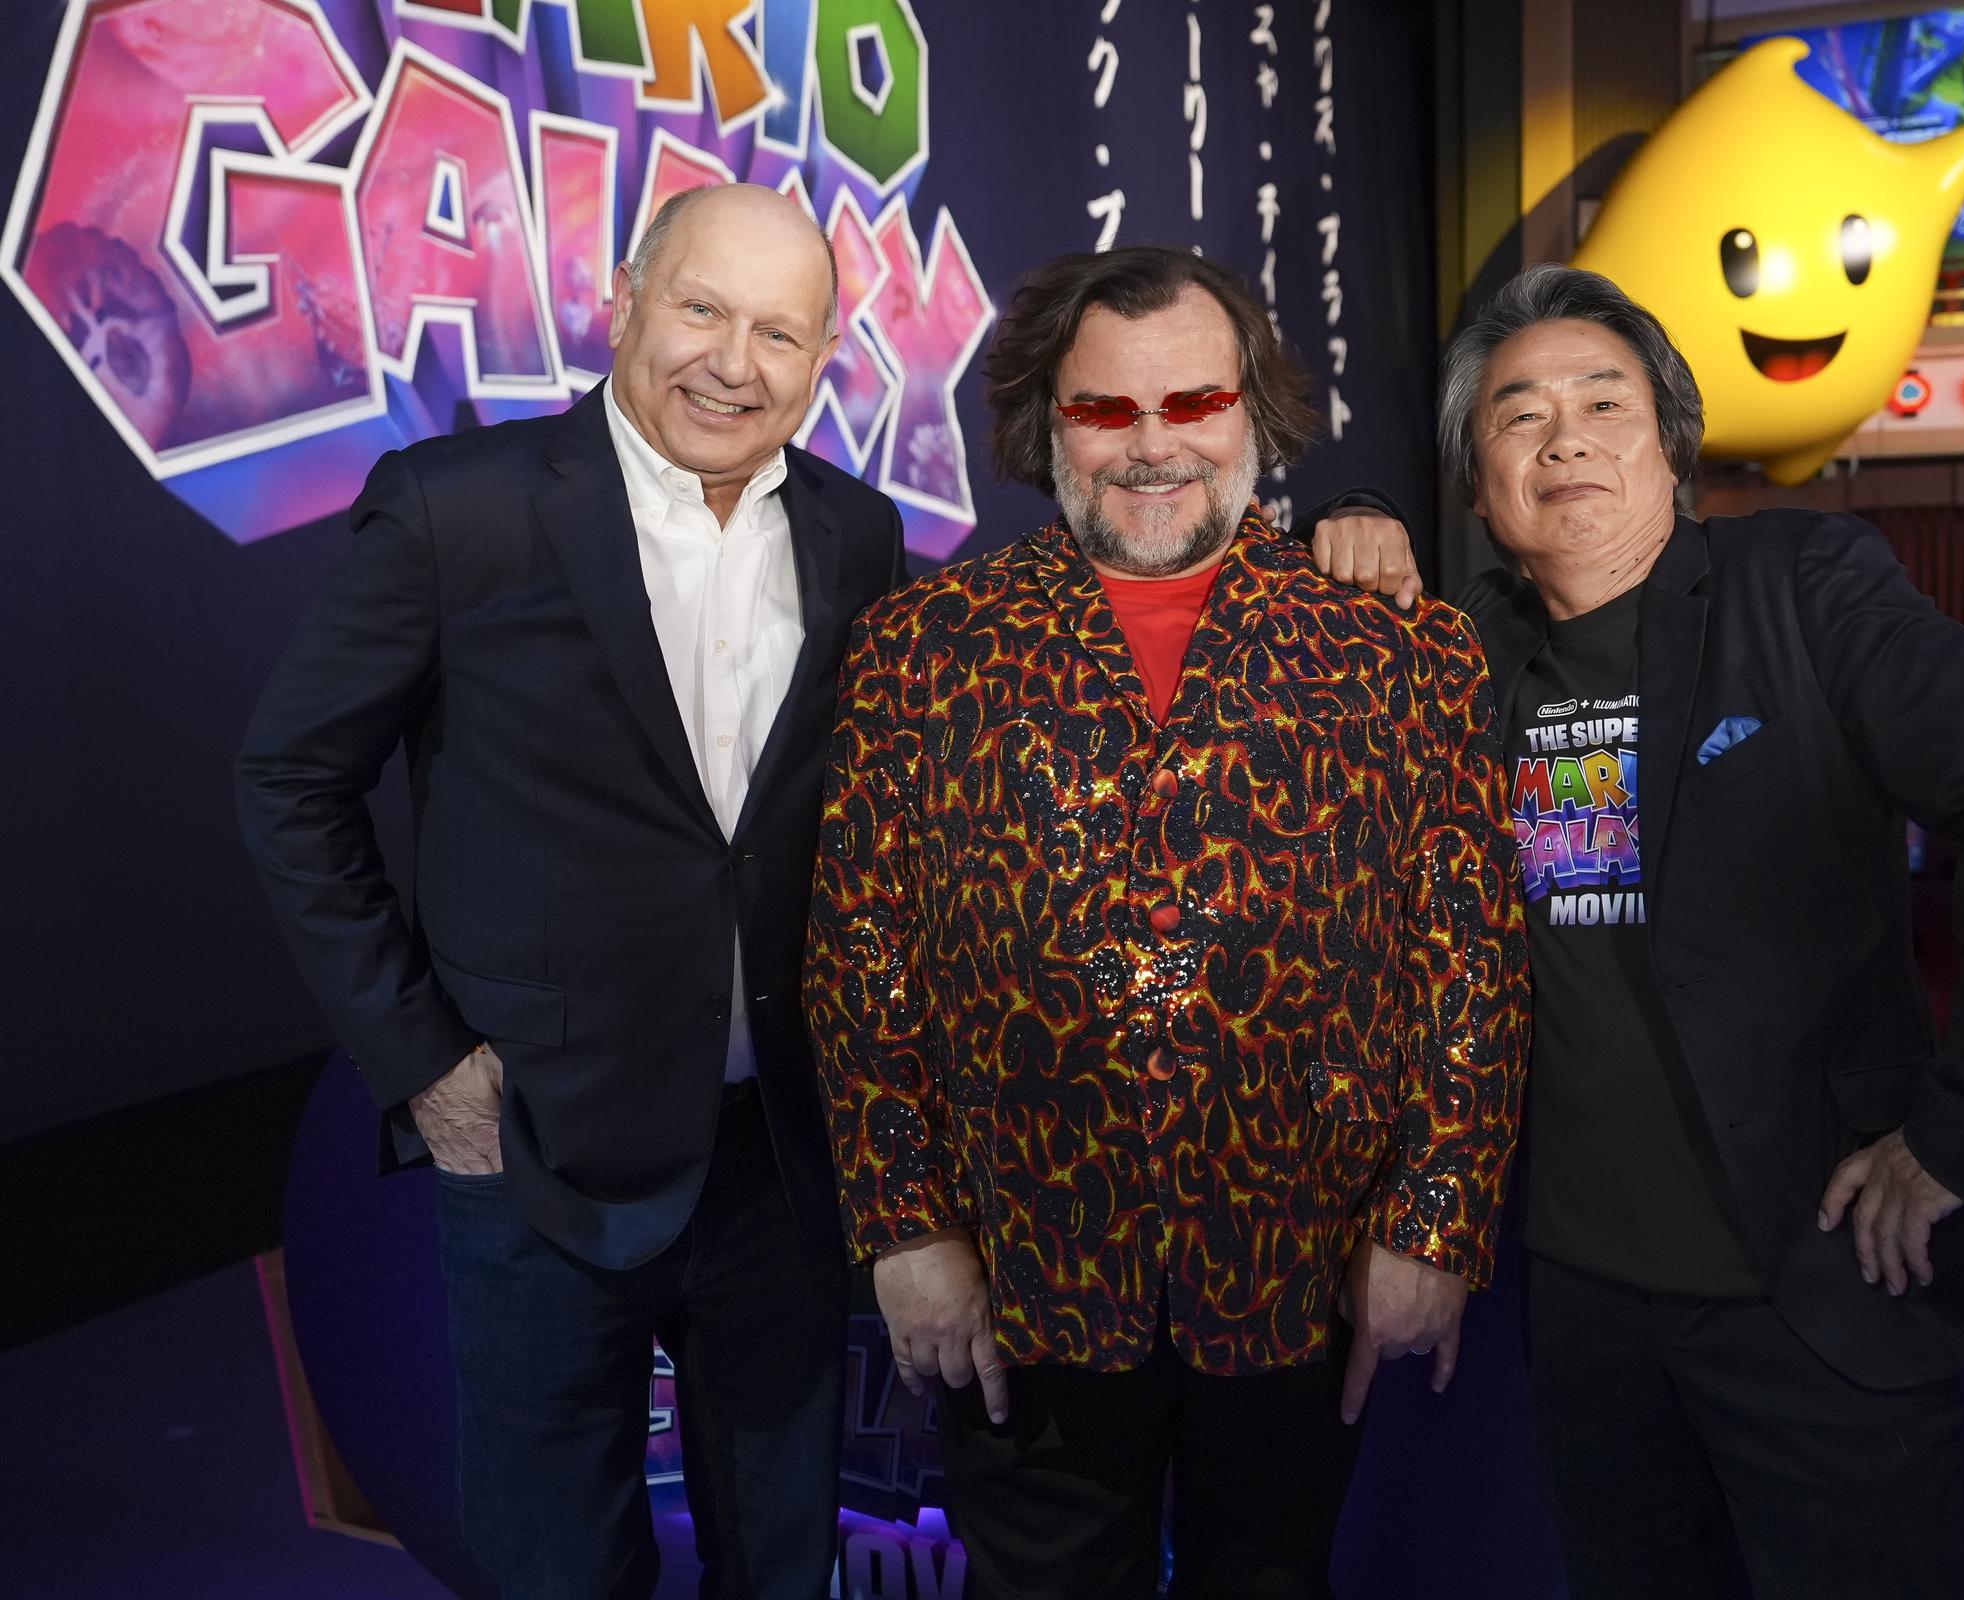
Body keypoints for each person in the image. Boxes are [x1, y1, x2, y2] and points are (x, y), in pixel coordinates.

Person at [1306, 263, 1964, 1599]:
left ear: (1672, 443)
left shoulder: (1802, 586)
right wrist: (1341, 513)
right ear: (1478, 487)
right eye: (1517, 416)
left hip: (1817, 1291)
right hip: (1583, 1313)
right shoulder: (1465, 652)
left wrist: (1962, 1132)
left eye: (1602, 400)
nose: (1565, 437)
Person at [804, 245, 1529, 1600]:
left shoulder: (1397, 650)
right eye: (1106, 411)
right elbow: (861, 962)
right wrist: (905, 1230)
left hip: (1306, 1288)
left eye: (1192, 404)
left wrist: (1431, 1224)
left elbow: (1470, 965)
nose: (1152, 448)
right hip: (1017, 1293)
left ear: (1253, 413)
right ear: (1047, 424)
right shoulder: (920, 650)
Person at [236, 183, 903, 1599]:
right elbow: (289, 783)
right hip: (534, 1152)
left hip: (781, 1164)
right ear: (623, 300)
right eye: (702, 309)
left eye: (780, 333)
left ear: (826, 357)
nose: (734, 362)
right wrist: (425, 1063)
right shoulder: (454, 511)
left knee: (781, 1560)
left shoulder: (861, 535)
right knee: (558, 1569)